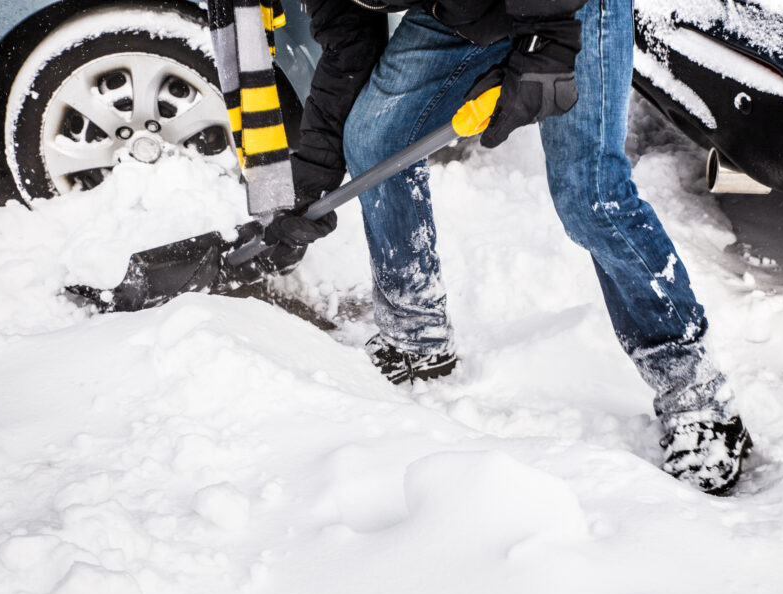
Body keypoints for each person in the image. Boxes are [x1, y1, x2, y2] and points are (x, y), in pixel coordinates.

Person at [252, 0, 753, 495]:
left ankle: (695, 390)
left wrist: (547, 49)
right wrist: (312, 175)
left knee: (590, 196)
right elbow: (350, 46)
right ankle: (414, 334)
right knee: (377, 135)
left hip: (572, 8)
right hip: (464, 8)